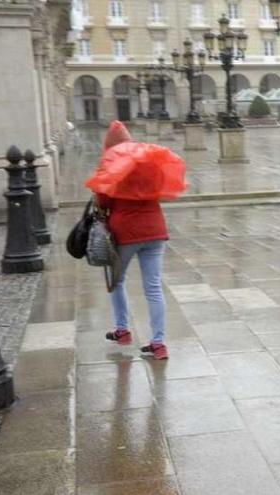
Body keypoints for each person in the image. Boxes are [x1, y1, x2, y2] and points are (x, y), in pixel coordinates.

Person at [95, 121, 172, 360]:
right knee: (154, 287)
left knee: (116, 281)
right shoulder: (149, 162)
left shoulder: (111, 165)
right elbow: (160, 190)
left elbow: (103, 202)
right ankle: (159, 344)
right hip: (155, 230)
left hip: (125, 232)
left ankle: (123, 330)